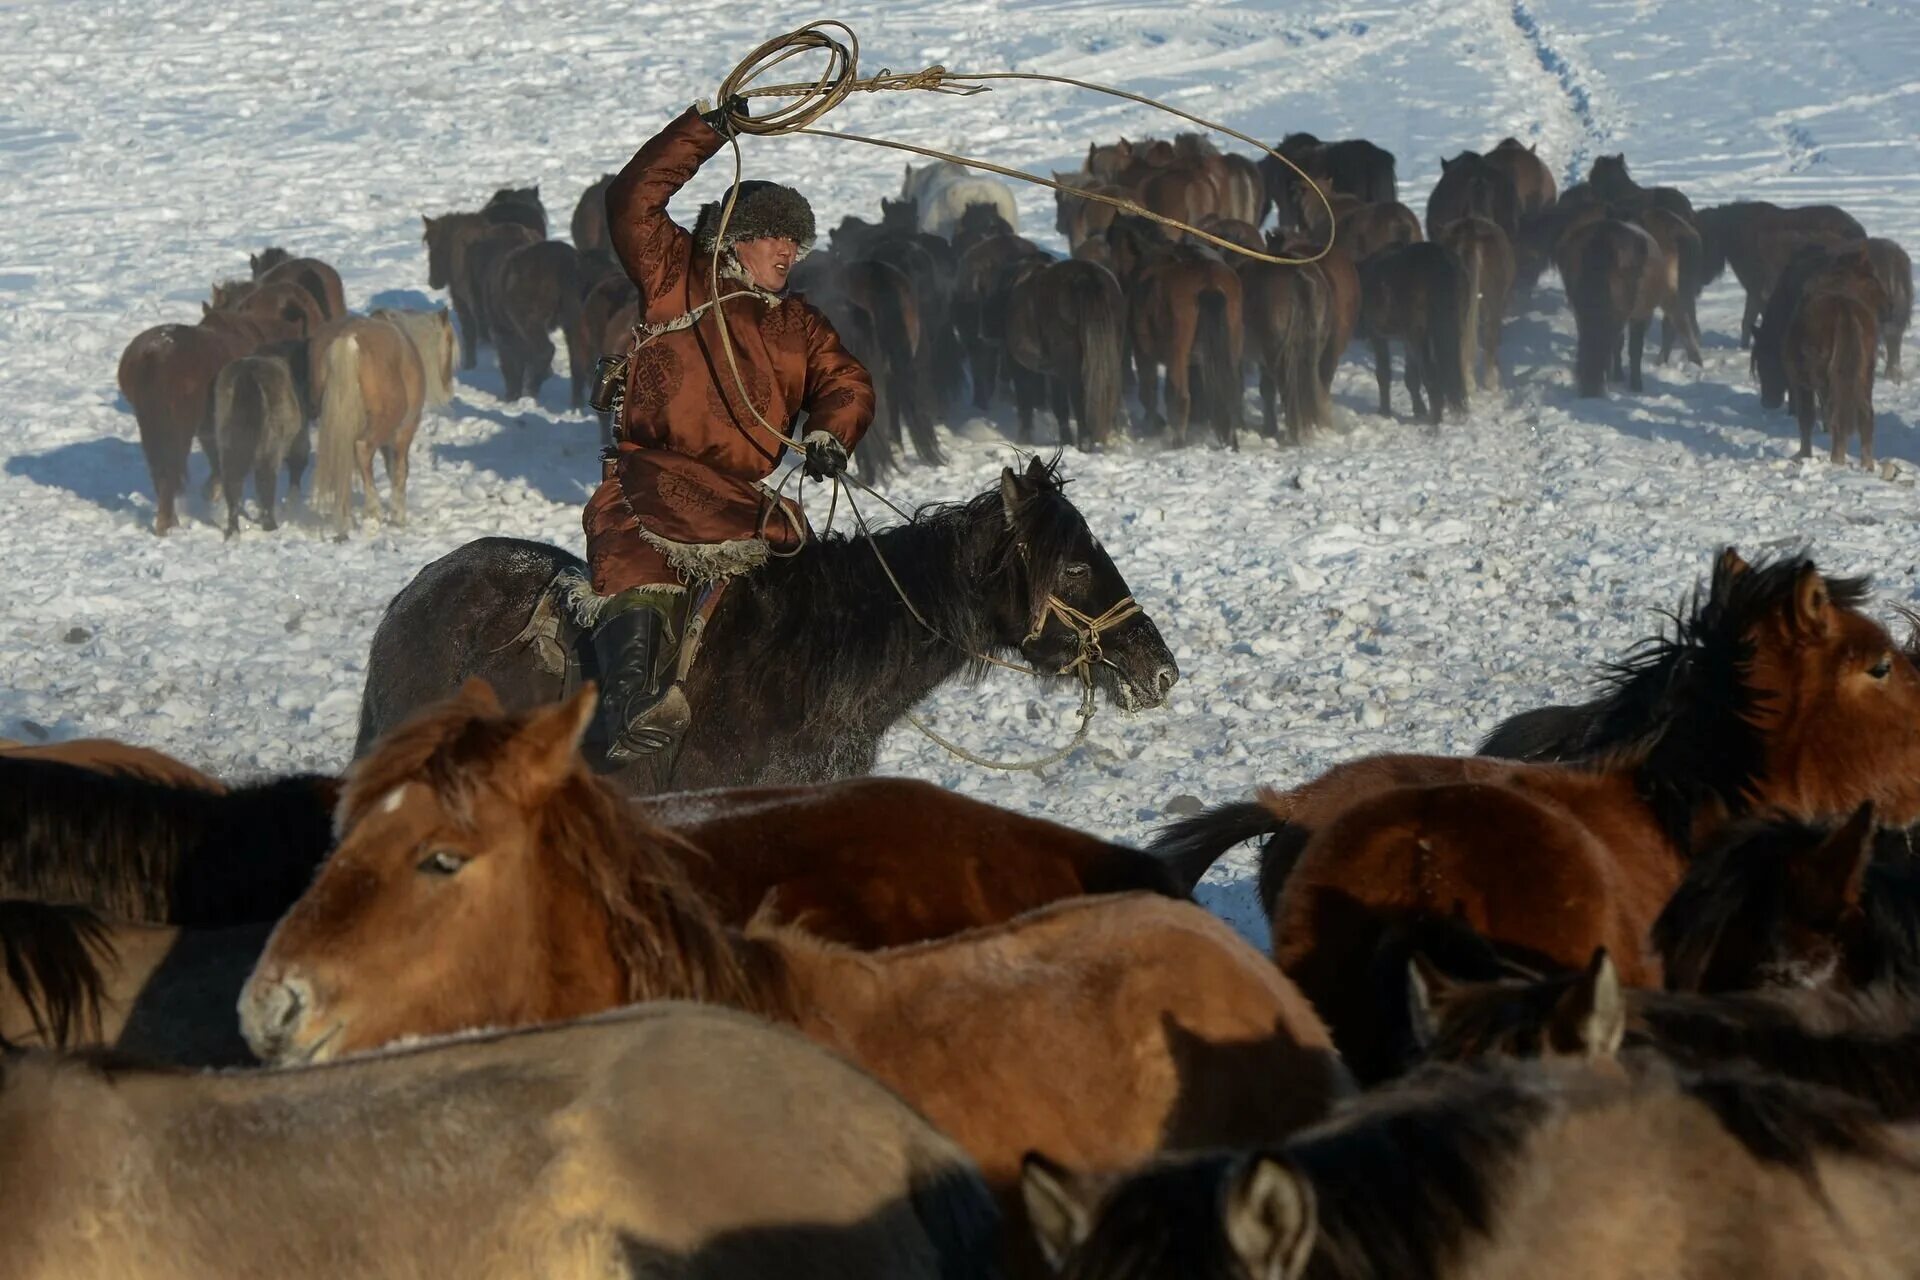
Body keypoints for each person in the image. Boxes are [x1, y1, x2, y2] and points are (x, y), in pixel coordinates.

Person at [584, 98, 875, 763]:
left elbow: (846, 381)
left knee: (803, 570)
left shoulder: (799, 323)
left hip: (744, 496)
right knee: (638, 550)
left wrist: (832, 431)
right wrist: (705, 130)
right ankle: (631, 704)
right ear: (737, 235)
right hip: (656, 473)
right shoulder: (674, 274)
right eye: (775, 235)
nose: (789, 251)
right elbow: (632, 199)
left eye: (796, 241)